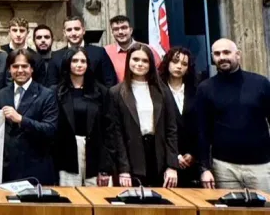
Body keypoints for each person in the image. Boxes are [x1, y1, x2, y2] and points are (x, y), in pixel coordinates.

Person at [196, 38, 270, 190]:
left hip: (260, 167)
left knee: (265, 206)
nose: (222, 57)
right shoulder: (205, 88)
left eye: (226, 52)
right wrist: (204, 169)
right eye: (217, 54)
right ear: (212, 57)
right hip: (223, 168)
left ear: (238, 54)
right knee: (228, 207)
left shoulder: (261, 83)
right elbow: (202, 131)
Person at [110, 44, 178, 188]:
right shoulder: (116, 92)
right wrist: (124, 170)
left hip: (158, 156)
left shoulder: (163, 90)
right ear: (128, 61)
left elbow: (171, 129)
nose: (140, 64)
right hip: (131, 157)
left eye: (145, 61)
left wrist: (172, 166)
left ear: (151, 64)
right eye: (135, 59)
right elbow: (117, 134)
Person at [0, 48, 59, 185]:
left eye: (24, 66)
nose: (20, 70)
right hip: (9, 169)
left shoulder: (46, 94)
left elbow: (50, 129)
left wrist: (21, 120)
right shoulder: (2, 94)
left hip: (36, 168)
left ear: (32, 69)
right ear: (9, 69)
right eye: (15, 66)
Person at [54, 48, 113, 186]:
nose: (79, 65)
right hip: (67, 156)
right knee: (70, 197)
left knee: (98, 197)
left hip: (95, 153)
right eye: (75, 61)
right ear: (67, 63)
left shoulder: (101, 92)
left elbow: (109, 130)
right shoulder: (57, 92)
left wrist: (105, 168)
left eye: (83, 61)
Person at [158, 47, 200, 187]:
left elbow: (200, 126)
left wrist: (193, 154)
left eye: (184, 64)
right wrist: (174, 156)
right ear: (167, 63)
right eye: (175, 61)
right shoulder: (157, 90)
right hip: (164, 159)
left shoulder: (196, 91)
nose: (179, 66)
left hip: (191, 160)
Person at [49, 15, 117, 87]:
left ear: (83, 30)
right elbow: (52, 85)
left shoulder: (99, 52)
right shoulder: (56, 56)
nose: (73, 33)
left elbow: (110, 82)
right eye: (69, 30)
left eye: (77, 29)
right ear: (64, 33)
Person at [103, 14, 161, 82]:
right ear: (112, 32)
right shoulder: (105, 52)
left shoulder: (148, 49)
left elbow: (159, 72)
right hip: (116, 88)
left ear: (131, 30)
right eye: (116, 29)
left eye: (124, 28)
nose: (120, 32)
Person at [33, 23, 60, 88]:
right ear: (34, 41)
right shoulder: (29, 61)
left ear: (52, 40)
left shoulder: (60, 59)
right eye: (39, 37)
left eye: (46, 37)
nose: (43, 40)